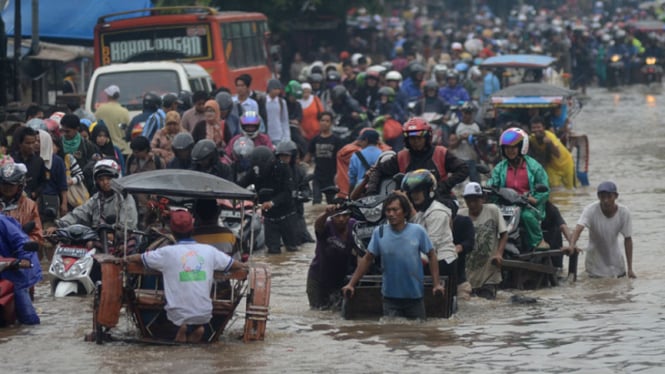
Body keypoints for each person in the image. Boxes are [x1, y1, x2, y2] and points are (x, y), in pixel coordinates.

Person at [125, 210, 247, 343]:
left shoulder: (166, 253)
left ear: (171, 230)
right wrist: (246, 266)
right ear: (192, 228)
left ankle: (181, 332)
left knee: (176, 322)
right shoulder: (209, 251)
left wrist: (125, 259)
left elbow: (140, 258)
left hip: (176, 315)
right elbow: (234, 264)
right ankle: (195, 329)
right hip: (204, 314)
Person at [342, 193, 444, 319]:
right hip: (390, 299)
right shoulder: (379, 232)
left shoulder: (418, 231)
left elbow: (432, 255)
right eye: (388, 210)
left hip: (415, 298)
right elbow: (368, 259)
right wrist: (351, 284)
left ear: (405, 212)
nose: (391, 214)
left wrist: (436, 284)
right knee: (391, 333)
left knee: (418, 334)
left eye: (395, 210)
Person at [366, 117, 469, 200]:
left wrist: (444, 186)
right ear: (407, 140)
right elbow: (378, 170)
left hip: (440, 199)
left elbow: (463, 169)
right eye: (412, 138)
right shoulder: (401, 157)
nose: (416, 141)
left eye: (419, 138)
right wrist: (371, 194)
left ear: (427, 138)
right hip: (409, 204)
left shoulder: (441, 153)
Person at [401, 170, 457, 309]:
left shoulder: (437, 212)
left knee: (441, 309)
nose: (415, 195)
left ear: (429, 191)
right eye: (412, 192)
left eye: (418, 191)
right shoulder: (422, 212)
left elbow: (431, 247)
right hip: (428, 262)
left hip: (443, 263)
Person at [487, 127, 550, 251]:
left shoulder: (534, 167)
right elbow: (492, 184)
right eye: (507, 148)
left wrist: (534, 199)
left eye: (513, 147)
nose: (510, 150)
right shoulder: (500, 168)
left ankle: (538, 241)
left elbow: (545, 189)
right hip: (505, 205)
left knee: (527, 216)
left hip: (528, 205)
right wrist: (487, 190)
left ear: (522, 147)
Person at [566, 181, 635, 279]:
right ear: (598, 197)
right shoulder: (590, 210)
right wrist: (572, 245)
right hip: (595, 265)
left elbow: (628, 239)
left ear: (616, 196)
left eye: (609, 196)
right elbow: (579, 228)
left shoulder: (624, 213)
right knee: (595, 290)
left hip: (616, 264)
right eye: (602, 197)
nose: (606, 200)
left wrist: (630, 269)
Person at [49, 159, 138, 233]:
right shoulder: (96, 199)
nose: (105, 182)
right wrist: (59, 225)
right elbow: (79, 213)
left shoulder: (125, 197)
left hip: (123, 244)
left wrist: (114, 233)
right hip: (99, 241)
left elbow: (128, 225)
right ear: (97, 182)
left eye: (109, 178)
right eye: (101, 179)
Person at [238, 146, 298, 254]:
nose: (259, 168)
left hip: (287, 215)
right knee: (273, 251)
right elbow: (241, 185)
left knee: (292, 249)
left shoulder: (283, 168)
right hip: (269, 217)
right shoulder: (255, 171)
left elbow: (287, 192)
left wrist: (272, 203)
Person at [457, 182, 507, 299]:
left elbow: (504, 234)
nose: (472, 204)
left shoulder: (492, 210)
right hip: (468, 272)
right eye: (469, 201)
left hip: (489, 273)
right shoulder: (460, 215)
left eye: (475, 200)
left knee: (486, 304)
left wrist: (499, 253)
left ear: (482, 199)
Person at [306, 205, 357, 309]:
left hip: (341, 279)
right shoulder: (327, 227)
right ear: (332, 217)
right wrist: (325, 214)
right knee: (317, 312)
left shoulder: (354, 226)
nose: (341, 219)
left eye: (345, 215)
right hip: (318, 277)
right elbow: (318, 225)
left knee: (337, 312)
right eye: (337, 216)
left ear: (349, 215)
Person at [0, 214, 41, 324]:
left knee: (28, 319)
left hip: (12, 271)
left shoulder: (2, 222)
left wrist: (25, 259)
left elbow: (20, 241)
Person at [0, 163, 43, 245]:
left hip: (19, 252)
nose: (7, 188)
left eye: (11, 185)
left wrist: (22, 242)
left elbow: (37, 235)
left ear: (19, 186)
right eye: (4, 184)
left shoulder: (30, 205)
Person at [304, 112, 342, 204]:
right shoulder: (315, 139)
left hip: (331, 177)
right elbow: (308, 155)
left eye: (327, 121)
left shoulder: (336, 140)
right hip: (317, 176)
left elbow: (340, 158)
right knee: (316, 202)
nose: (324, 123)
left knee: (331, 203)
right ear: (319, 122)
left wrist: (340, 175)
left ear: (331, 123)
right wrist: (300, 168)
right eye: (322, 120)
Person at [528, 116, 575, 189]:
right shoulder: (532, 138)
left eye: (539, 127)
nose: (536, 130)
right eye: (534, 128)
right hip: (552, 167)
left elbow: (557, 154)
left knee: (570, 189)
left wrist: (550, 144)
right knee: (553, 188)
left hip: (566, 164)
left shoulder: (550, 136)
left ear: (543, 127)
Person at [36, 130, 68, 219]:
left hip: (51, 199)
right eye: (35, 141)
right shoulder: (33, 160)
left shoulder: (57, 161)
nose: (36, 144)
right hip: (35, 199)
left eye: (39, 141)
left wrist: (64, 203)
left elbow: (63, 185)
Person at [10, 126, 46, 202]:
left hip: (31, 201)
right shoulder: (11, 160)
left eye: (33, 142)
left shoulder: (39, 161)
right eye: (27, 143)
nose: (31, 146)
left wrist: (35, 193)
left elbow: (43, 181)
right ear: (20, 143)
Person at [94, 84, 131, 156]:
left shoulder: (100, 110)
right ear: (118, 96)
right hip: (123, 149)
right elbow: (127, 130)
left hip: (106, 149)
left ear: (107, 95)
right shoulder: (124, 111)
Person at [264, 79, 290, 146]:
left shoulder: (282, 102)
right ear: (269, 89)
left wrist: (287, 137)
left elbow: (284, 120)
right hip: (266, 135)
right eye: (275, 89)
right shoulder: (263, 101)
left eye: (278, 89)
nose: (277, 91)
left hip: (278, 135)